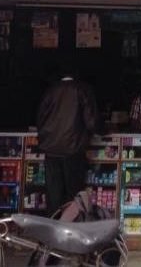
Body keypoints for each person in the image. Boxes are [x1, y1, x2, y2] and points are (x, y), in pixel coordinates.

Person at [36, 66, 98, 215]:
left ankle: (53, 225)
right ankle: (71, 226)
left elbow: (40, 119)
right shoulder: (82, 90)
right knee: (73, 195)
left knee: (54, 196)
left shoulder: (51, 91)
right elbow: (91, 122)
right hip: (73, 149)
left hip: (51, 150)